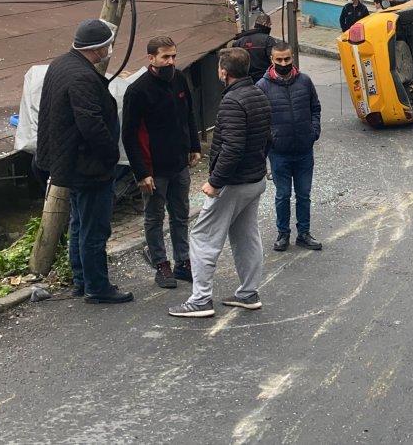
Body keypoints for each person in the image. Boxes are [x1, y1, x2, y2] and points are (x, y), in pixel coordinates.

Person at [168, 48, 271, 318]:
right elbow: (267, 137)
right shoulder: (259, 94)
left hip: (233, 183)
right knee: (246, 236)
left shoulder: (231, 102)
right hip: (254, 179)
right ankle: (248, 293)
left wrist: (214, 182)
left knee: (202, 236)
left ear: (224, 72)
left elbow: (232, 148)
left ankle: (200, 300)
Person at [36, 19, 133, 304]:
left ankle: (81, 279)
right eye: (107, 47)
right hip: (88, 167)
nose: (109, 51)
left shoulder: (60, 64)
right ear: (97, 49)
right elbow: (91, 124)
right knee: (94, 228)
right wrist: (110, 155)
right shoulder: (82, 77)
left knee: (79, 222)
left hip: (67, 163)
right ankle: (97, 287)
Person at [121, 36, 202, 290]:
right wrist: (141, 172)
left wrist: (194, 146)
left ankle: (182, 262)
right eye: (165, 57)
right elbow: (129, 135)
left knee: (180, 216)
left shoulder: (179, 79)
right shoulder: (137, 90)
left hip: (179, 164)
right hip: (154, 170)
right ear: (151, 58)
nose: (171, 61)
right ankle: (160, 264)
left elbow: (188, 113)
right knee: (154, 218)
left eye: (174, 56)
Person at [256, 42, 322, 252]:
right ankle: (283, 234)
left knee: (304, 194)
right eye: (279, 60)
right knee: (283, 195)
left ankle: (304, 234)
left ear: (292, 58)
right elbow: (259, 120)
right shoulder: (262, 87)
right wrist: (271, 139)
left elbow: (315, 108)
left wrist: (314, 131)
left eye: (287, 59)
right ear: (272, 60)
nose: (283, 63)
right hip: (279, 154)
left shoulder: (304, 81)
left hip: (304, 150)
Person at [231, 13, 278, 83]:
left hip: (246, 81)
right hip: (265, 80)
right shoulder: (268, 40)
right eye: (269, 25)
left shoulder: (239, 41)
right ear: (265, 24)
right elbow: (275, 62)